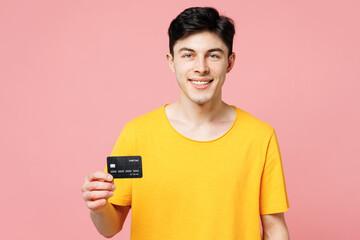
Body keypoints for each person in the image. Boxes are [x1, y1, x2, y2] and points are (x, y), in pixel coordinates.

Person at [81, 7, 290, 240]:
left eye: (213, 55)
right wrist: (98, 207)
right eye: (188, 55)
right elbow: (110, 227)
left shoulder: (260, 136)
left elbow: (274, 229)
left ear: (230, 62)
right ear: (171, 61)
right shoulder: (136, 134)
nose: (201, 68)